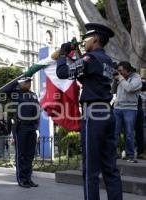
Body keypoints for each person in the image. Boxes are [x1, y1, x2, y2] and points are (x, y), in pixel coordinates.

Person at [56, 23, 123, 200]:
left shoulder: (90, 59)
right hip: (108, 113)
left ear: (95, 39)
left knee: (90, 168)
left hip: (93, 114)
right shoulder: (107, 60)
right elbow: (83, 76)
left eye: (86, 38)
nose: (83, 42)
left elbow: (63, 72)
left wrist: (63, 55)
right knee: (110, 167)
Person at [1, 76, 40, 188]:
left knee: (30, 155)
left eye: (29, 82)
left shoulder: (33, 95)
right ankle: (22, 179)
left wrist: (37, 128)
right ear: (21, 83)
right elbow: (4, 91)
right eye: (26, 82)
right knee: (21, 155)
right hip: (20, 127)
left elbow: (37, 111)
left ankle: (28, 178)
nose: (29, 84)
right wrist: (15, 82)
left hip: (32, 127)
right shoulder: (15, 93)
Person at [112, 61, 142, 163]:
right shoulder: (120, 78)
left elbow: (129, 88)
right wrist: (114, 80)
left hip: (130, 109)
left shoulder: (136, 78)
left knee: (129, 133)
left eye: (121, 71)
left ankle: (130, 155)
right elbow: (113, 91)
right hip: (117, 108)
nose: (119, 73)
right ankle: (112, 154)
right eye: (118, 71)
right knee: (114, 132)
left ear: (127, 70)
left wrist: (120, 78)